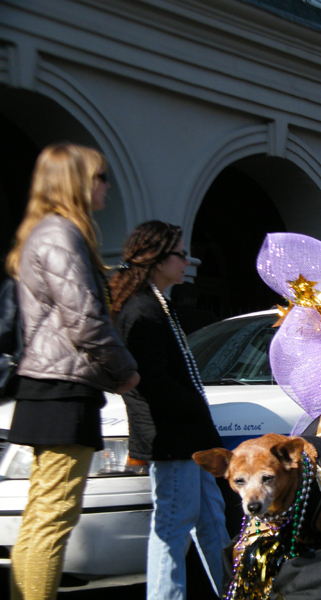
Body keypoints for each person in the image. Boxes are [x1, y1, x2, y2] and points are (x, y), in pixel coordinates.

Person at [6, 143, 140, 600]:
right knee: (53, 515)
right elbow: (84, 320)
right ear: (77, 183)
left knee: (42, 514)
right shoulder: (62, 234)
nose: (106, 185)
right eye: (100, 177)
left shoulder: (46, 233)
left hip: (49, 386)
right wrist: (124, 371)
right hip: (63, 389)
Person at [109, 221, 227, 600]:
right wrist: (194, 405)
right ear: (157, 259)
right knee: (174, 526)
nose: (188, 261)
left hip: (191, 436)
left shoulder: (159, 304)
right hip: (172, 437)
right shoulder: (142, 311)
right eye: (180, 254)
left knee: (212, 520)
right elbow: (153, 384)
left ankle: (236, 590)